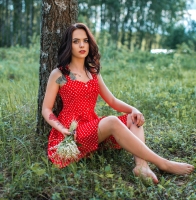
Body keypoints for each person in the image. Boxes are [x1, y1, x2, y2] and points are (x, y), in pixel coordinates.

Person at [42, 23, 194, 184]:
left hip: (92, 126)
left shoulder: (92, 73)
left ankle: (141, 166)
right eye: (76, 41)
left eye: (85, 40)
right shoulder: (61, 75)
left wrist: (133, 109)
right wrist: (62, 128)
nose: (81, 45)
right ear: (68, 45)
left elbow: (112, 101)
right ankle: (163, 163)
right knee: (112, 121)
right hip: (72, 131)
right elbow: (46, 108)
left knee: (134, 118)